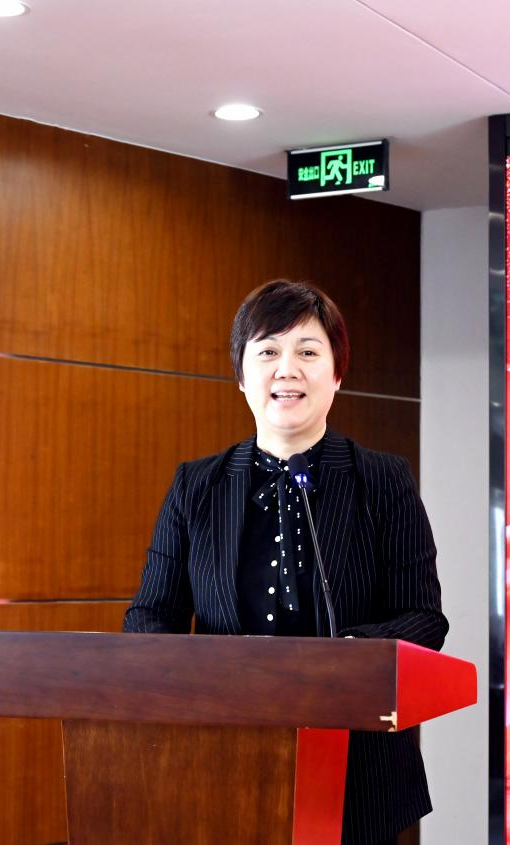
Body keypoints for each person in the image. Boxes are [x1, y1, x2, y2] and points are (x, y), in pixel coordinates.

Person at [123, 279, 448, 845]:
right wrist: (197, 676)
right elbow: (149, 615)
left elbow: (423, 618)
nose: (287, 369)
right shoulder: (196, 486)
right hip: (222, 758)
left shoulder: (382, 479)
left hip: (358, 769)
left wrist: (341, 661)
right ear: (241, 375)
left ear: (337, 373)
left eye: (308, 351)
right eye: (268, 351)